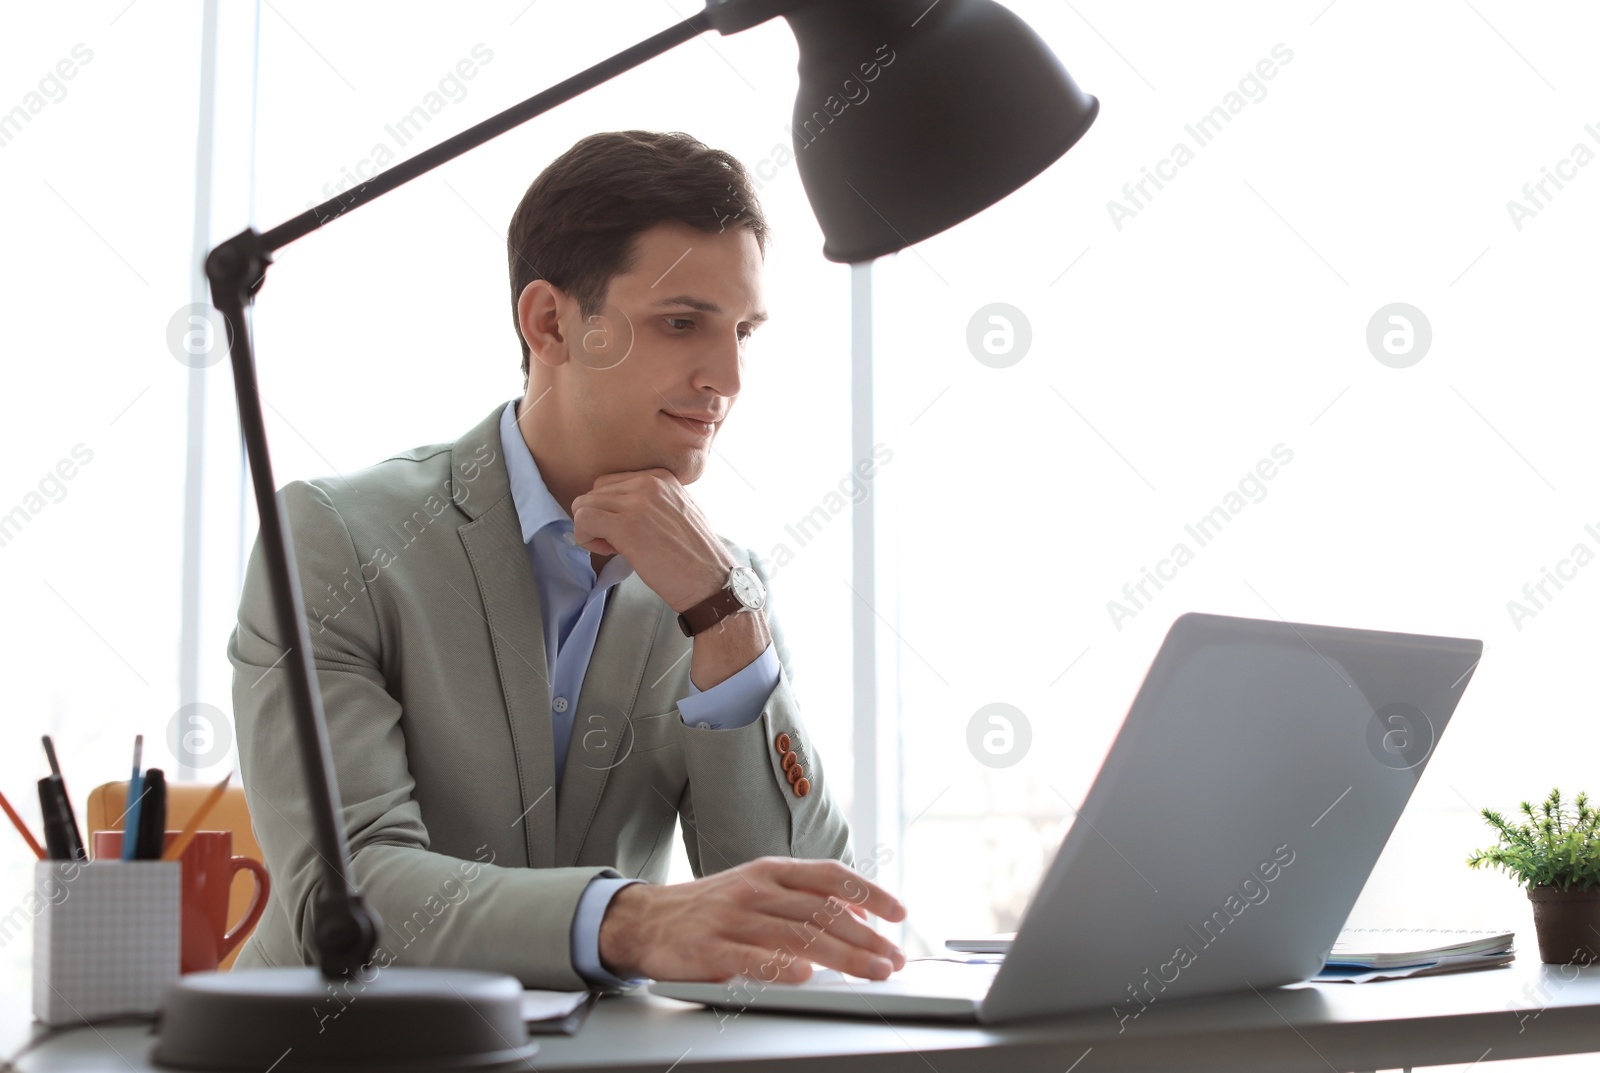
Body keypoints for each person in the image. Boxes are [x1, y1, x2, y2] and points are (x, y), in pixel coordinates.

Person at [229, 130, 906, 990]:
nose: (728, 375)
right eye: (681, 322)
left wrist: (725, 617)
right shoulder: (335, 539)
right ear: (550, 322)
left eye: (743, 330)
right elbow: (349, 893)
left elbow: (801, 930)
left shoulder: (720, 584)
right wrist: (634, 917)